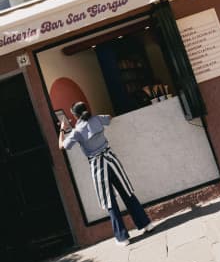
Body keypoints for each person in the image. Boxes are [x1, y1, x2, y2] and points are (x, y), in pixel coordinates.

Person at [59, 101, 154, 246]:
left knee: (109, 201)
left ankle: (123, 238)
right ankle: (146, 224)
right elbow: (110, 117)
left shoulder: (77, 132)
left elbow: (62, 146)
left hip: (98, 166)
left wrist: (62, 129)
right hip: (111, 160)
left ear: (75, 115)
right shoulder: (97, 119)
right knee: (127, 193)